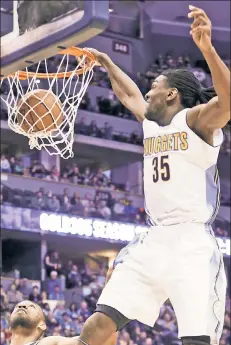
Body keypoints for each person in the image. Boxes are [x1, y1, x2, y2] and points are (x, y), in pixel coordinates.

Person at [75, 5, 229, 345]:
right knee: (96, 328)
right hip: (154, 240)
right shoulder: (151, 123)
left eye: (155, 85)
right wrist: (106, 61)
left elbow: (228, 100)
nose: (148, 90)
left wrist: (207, 49)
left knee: (196, 342)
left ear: (172, 93)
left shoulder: (196, 121)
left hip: (192, 245)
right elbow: (128, 93)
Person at [9, 300, 118, 345]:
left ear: (42, 325)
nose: (22, 306)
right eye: (17, 306)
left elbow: (101, 334)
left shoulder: (49, 343)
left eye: (31, 306)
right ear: (9, 325)